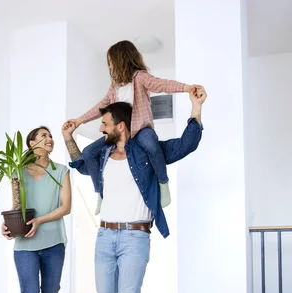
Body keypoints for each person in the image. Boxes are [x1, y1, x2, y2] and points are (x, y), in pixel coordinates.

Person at [62, 87, 207, 293]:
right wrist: (68, 138)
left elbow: (186, 144)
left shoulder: (147, 153)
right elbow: (78, 165)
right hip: (105, 235)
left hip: (135, 237)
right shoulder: (101, 155)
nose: (100, 128)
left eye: (104, 124)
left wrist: (196, 108)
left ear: (121, 126)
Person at [64, 39, 201, 208]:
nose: (109, 67)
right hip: (120, 134)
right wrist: (79, 120)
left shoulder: (140, 77)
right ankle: (100, 192)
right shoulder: (114, 87)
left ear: (120, 59)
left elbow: (161, 84)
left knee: (151, 145)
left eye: (110, 62)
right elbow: (102, 105)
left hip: (141, 129)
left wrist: (186, 88)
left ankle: (163, 184)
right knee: (89, 151)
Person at [1, 126, 71, 293]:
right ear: (31, 144)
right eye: (43, 136)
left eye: (50, 136)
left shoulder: (61, 171)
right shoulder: (17, 172)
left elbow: (66, 207)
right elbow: (16, 208)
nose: (49, 139)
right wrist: (7, 227)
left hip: (54, 243)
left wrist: (40, 221)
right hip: (25, 247)